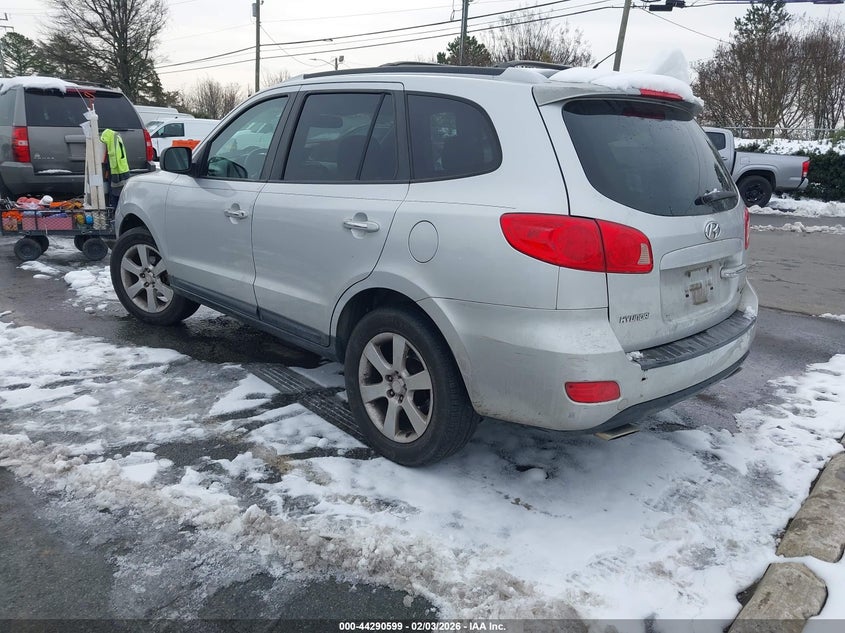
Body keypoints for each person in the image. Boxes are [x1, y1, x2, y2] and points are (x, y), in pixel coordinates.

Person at [100, 128, 130, 207]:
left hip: (116, 171)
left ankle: (114, 209)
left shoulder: (112, 140)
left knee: (115, 194)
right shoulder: (116, 138)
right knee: (121, 193)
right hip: (121, 170)